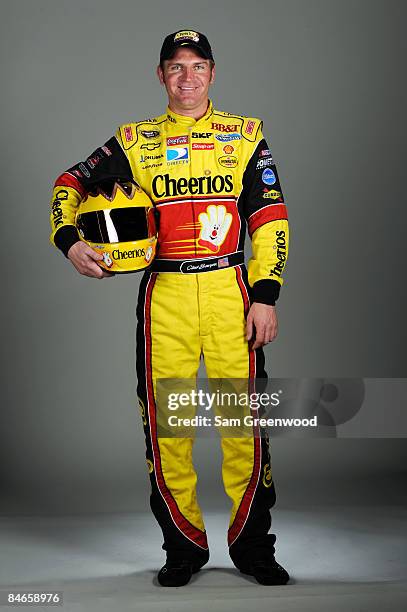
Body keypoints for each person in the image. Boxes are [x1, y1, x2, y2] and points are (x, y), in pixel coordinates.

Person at [49, 29, 290, 587]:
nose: (187, 77)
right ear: (160, 75)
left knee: (245, 423)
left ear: (213, 72)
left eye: (198, 66)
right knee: (167, 426)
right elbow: (69, 181)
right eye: (175, 67)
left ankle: (254, 547)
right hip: (165, 296)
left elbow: (270, 218)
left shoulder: (245, 135)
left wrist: (267, 295)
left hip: (232, 290)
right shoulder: (135, 141)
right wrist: (68, 239)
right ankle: (182, 547)